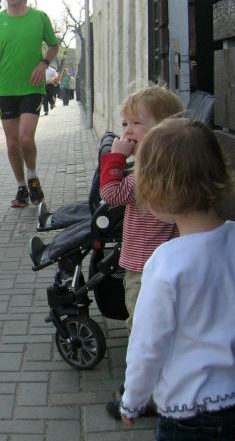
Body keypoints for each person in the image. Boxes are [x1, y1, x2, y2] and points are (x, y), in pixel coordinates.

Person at [120, 118, 235, 440]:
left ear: (156, 188)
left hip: (188, 413)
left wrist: (132, 400)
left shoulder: (166, 263)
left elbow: (147, 344)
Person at [99, 84, 185, 418]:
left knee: (141, 330)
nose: (127, 131)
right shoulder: (166, 168)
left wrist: (115, 157)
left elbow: (111, 193)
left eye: (137, 123)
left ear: (164, 130)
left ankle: (146, 394)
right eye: (124, 123)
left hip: (144, 269)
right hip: (157, 265)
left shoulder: (148, 176)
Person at [0, 0, 59, 209]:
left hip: (32, 86)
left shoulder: (40, 17)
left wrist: (44, 64)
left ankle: (32, 176)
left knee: (25, 138)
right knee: (12, 144)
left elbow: (53, 46)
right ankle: (21, 187)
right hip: (7, 89)